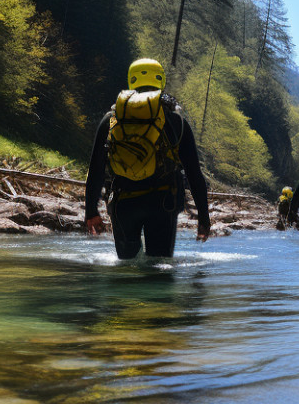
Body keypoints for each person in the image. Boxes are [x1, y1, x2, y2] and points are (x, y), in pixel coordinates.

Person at [84, 58, 211, 258]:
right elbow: (194, 174)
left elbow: (96, 170)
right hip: (163, 204)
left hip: (122, 203)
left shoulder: (111, 118)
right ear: (161, 81)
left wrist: (90, 211)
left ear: (131, 81)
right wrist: (203, 218)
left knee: (126, 268)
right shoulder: (175, 121)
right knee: (159, 269)